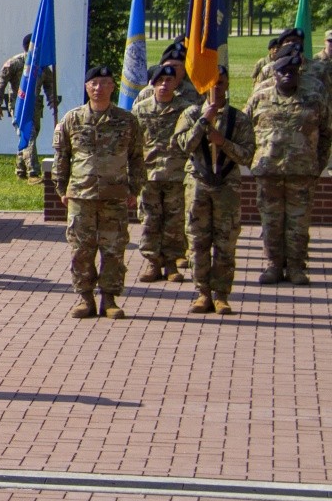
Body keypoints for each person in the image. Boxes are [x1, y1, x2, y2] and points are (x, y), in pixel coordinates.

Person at [51, 64, 145, 319]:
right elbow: (62, 157)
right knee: (81, 250)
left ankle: (110, 299)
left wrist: (134, 189)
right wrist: (61, 187)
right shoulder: (72, 119)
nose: (99, 88)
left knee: (113, 250)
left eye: (105, 83)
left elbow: (137, 158)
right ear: (86, 87)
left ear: (113, 87)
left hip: (115, 196)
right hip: (81, 196)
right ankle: (84, 298)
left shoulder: (126, 121)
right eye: (94, 83)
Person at [245, 50, 331, 287]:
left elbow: (326, 134)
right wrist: (253, 161)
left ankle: (295, 267)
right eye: (282, 71)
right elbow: (244, 130)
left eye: (292, 72)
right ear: (274, 73)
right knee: (271, 221)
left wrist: (316, 165)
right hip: (268, 171)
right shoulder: (260, 97)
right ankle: (273, 266)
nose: (287, 76)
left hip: (302, 173)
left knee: (298, 223)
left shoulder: (314, 96)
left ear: (298, 74)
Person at [175, 65, 254, 314]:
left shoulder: (238, 119)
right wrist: (203, 121)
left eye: (220, 83)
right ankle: (202, 293)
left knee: (225, 241)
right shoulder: (190, 114)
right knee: (198, 241)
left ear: (227, 85)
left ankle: (221, 294)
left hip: (227, 186)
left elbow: (247, 155)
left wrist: (224, 143)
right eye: (211, 84)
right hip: (198, 183)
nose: (216, 88)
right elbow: (184, 145)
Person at [131, 63, 191, 284]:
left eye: (169, 81)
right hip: (149, 175)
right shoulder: (140, 109)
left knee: (174, 222)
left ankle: (172, 264)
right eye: (160, 81)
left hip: (177, 175)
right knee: (149, 220)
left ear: (177, 84)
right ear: (153, 84)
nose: (165, 85)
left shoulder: (186, 109)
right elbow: (132, 143)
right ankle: (152, 263)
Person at [0, 33, 60, 180]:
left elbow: (49, 85)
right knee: (28, 134)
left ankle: (20, 170)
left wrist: (52, 100)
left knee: (30, 135)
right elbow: (1, 82)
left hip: (35, 105)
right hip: (19, 105)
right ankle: (33, 172)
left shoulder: (42, 66)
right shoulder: (15, 63)